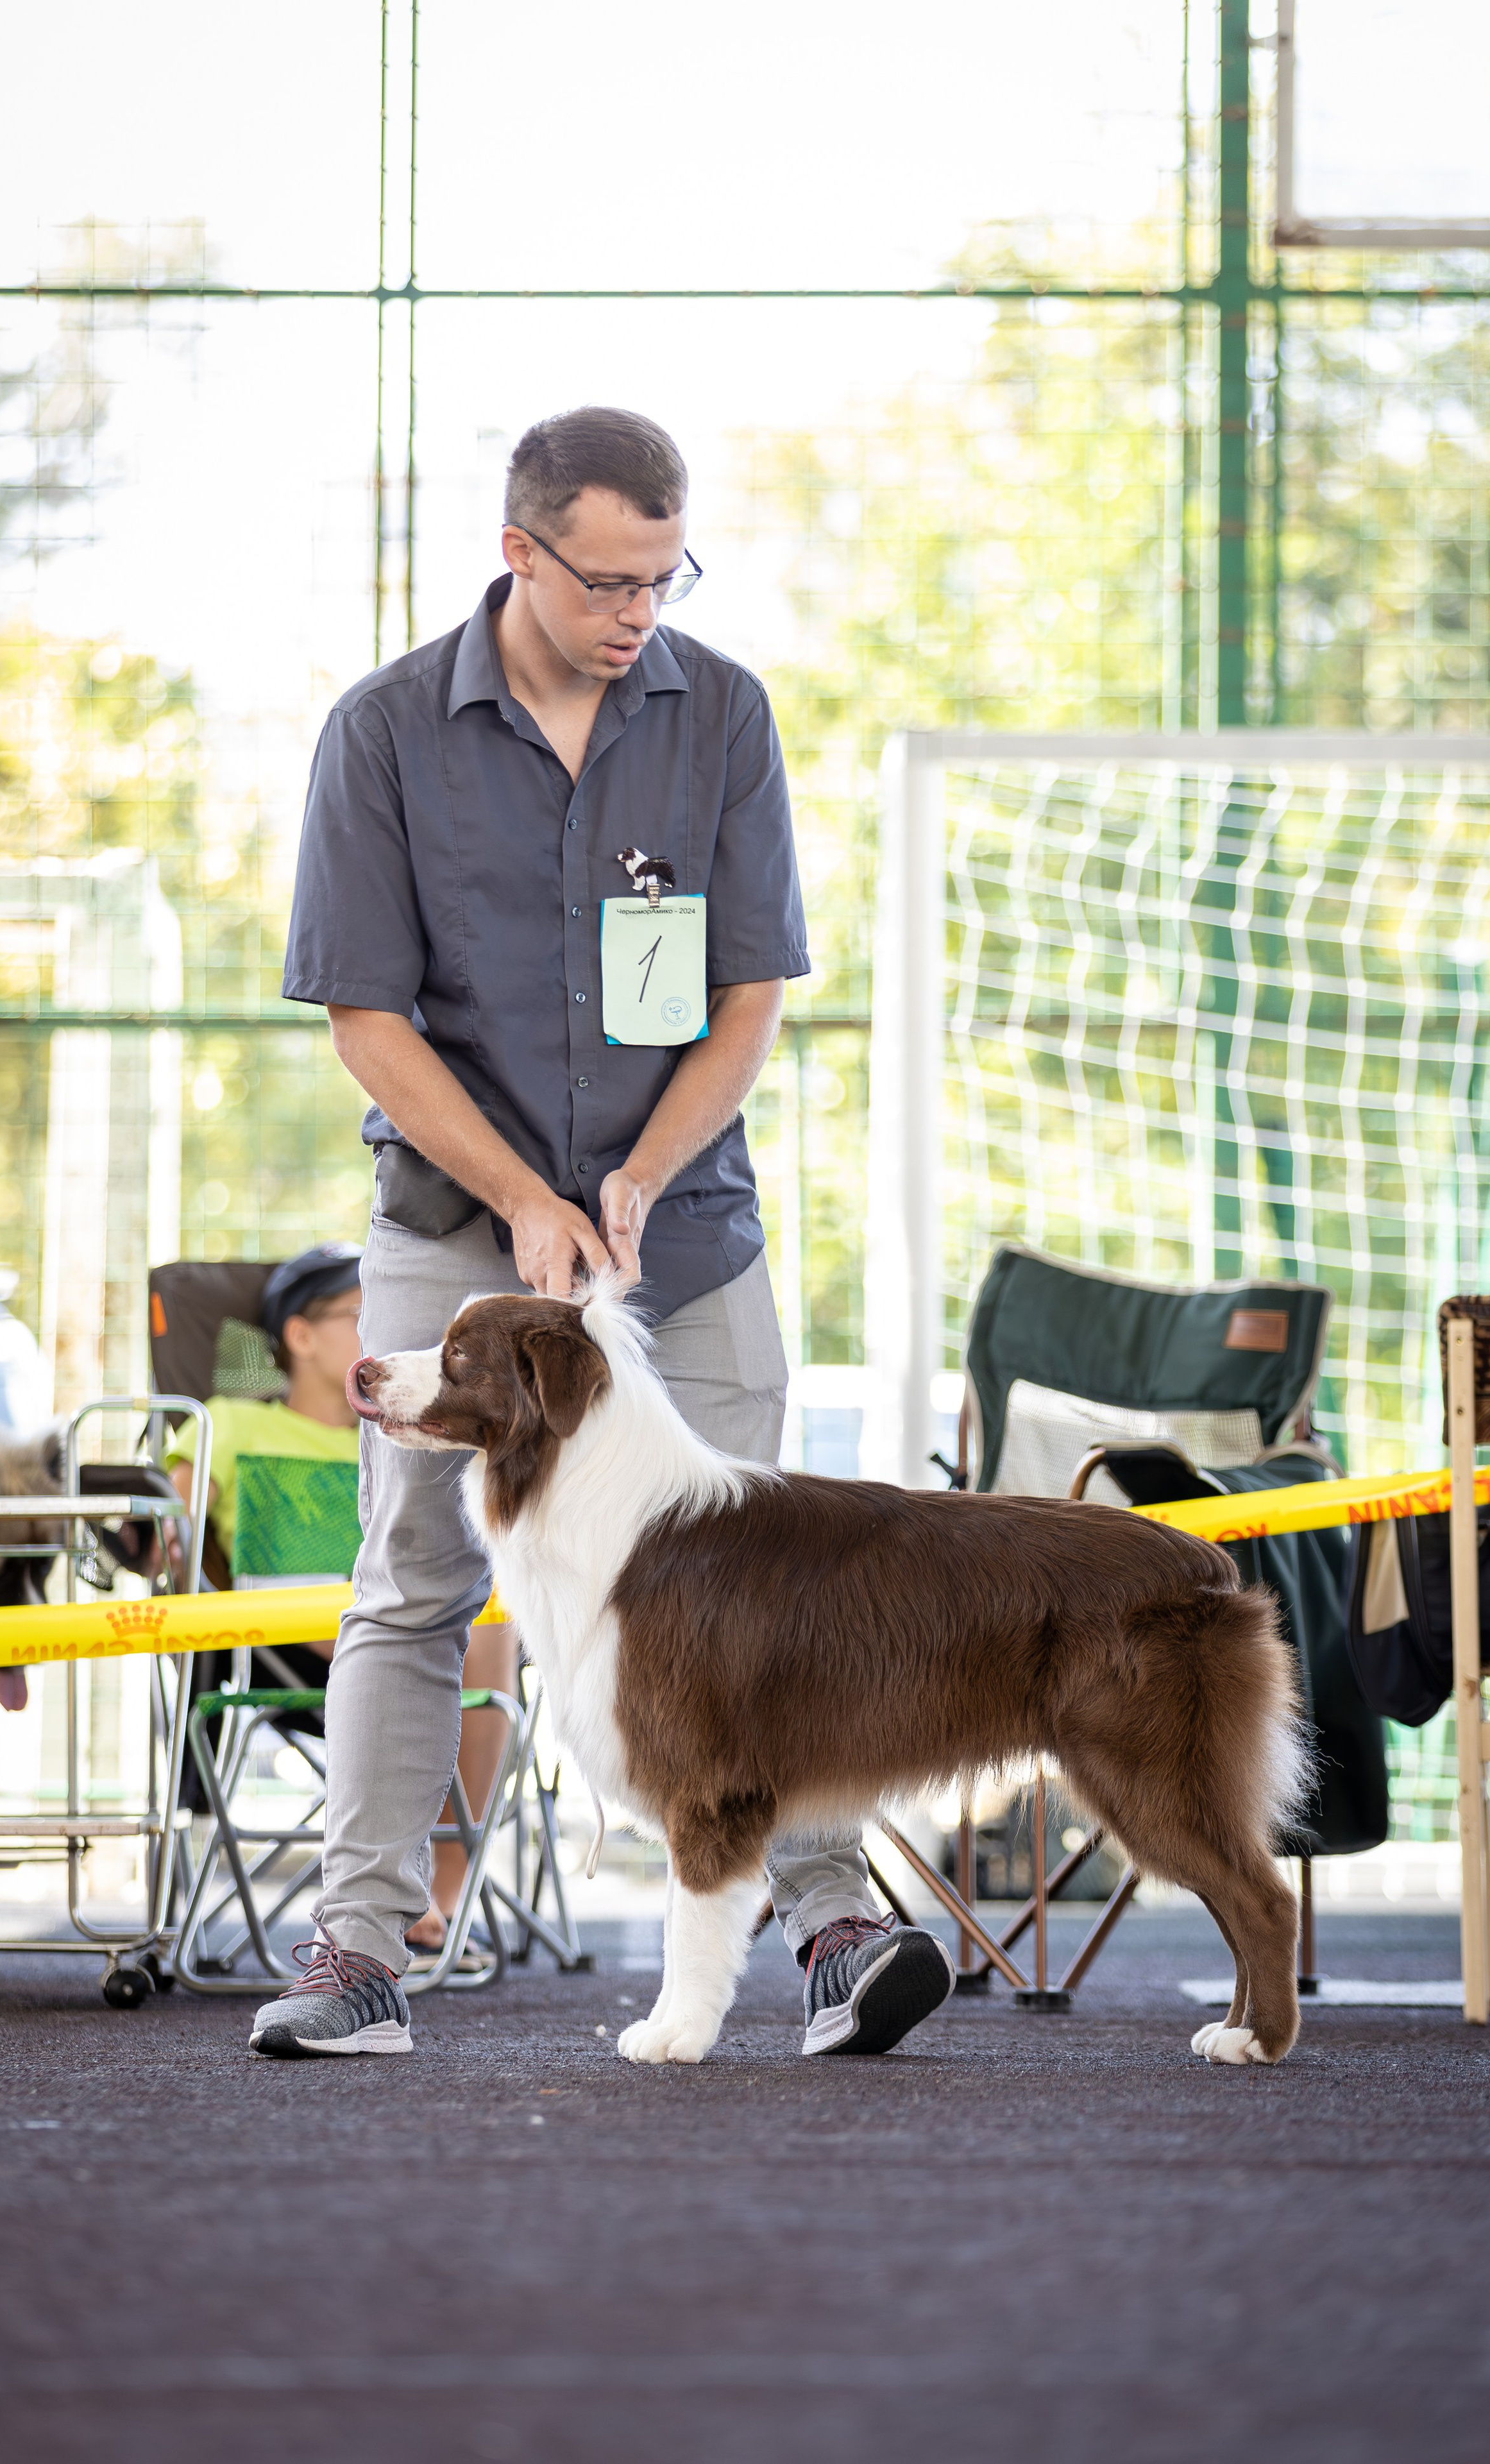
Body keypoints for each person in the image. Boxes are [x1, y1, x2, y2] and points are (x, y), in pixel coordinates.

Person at [253, 404, 955, 2059]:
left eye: (666, 575)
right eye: (610, 580)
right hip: (453, 1224)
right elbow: (366, 1018)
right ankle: (361, 1953)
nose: (642, 610)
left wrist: (640, 1172)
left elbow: (747, 997)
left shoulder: (723, 715)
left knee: (766, 1576)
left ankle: (833, 1922)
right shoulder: (383, 734)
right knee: (415, 1577)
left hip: (682, 1227)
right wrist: (522, 1196)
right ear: (521, 552)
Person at [167, 1244, 510, 1960]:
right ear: (299, 1335)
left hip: (422, 1609)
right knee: (433, 1623)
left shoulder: (412, 1428)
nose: (380, 1327)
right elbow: (171, 1522)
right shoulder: (232, 1422)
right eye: (359, 1314)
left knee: (486, 1631)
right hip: (282, 1635)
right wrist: (165, 1537)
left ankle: (443, 1892)